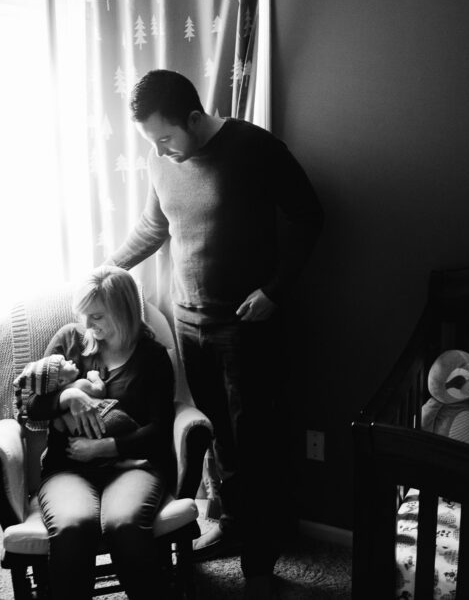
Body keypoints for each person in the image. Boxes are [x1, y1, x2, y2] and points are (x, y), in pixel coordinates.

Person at [108, 69, 324, 598]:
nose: (159, 150)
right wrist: (108, 268)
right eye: (151, 142)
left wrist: (275, 290)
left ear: (194, 117)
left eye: (165, 138)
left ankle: (260, 565)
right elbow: (155, 226)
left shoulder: (254, 148)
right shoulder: (162, 162)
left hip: (246, 325)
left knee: (256, 442)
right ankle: (232, 526)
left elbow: (309, 215)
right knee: (217, 438)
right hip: (189, 320)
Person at [21, 265, 175, 600]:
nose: (88, 324)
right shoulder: (69, 340)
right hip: (68, 469)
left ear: (123, 311)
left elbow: (160, 429)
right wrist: (67, 396)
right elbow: (29, 405)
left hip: (132, 466)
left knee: (124, 523)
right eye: (84, 315)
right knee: (73, 525)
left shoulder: (152, 356)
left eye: (97, 316)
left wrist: (105, 447)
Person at [14, 353, 140, 443]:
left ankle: (120, 462)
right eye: (65, 363)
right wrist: (94, 376)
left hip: (86, 435)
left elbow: (60, 427)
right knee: (126, 425)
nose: (70, 361)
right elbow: (100, 391)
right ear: (61, 381)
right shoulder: (80, 384)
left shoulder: (58, 410)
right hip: (107, 418)